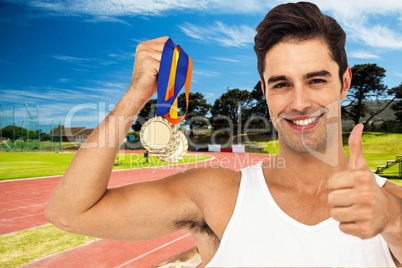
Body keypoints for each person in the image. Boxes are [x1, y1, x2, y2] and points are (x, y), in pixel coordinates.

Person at [46, 2, 402, 267]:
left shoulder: (394, 205)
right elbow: (70, 213)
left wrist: (390, 219)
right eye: (281, 84)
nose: (299, 101)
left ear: (345, 82)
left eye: (316, 80)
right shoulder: (217, 195)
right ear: (264, 91)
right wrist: (137, 94)